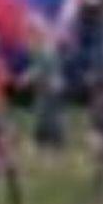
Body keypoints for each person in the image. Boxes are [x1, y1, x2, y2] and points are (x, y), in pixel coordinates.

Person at [19, 14, 68, 151]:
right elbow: (37, 64)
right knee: (42, 112)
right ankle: (43, 141)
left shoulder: (46, 44)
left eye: (30, 29)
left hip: (52, 83)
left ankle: (54, 142)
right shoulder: (36, 43)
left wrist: (28, 76)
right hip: (44, 84)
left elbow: (46, 64)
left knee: (50, 113)